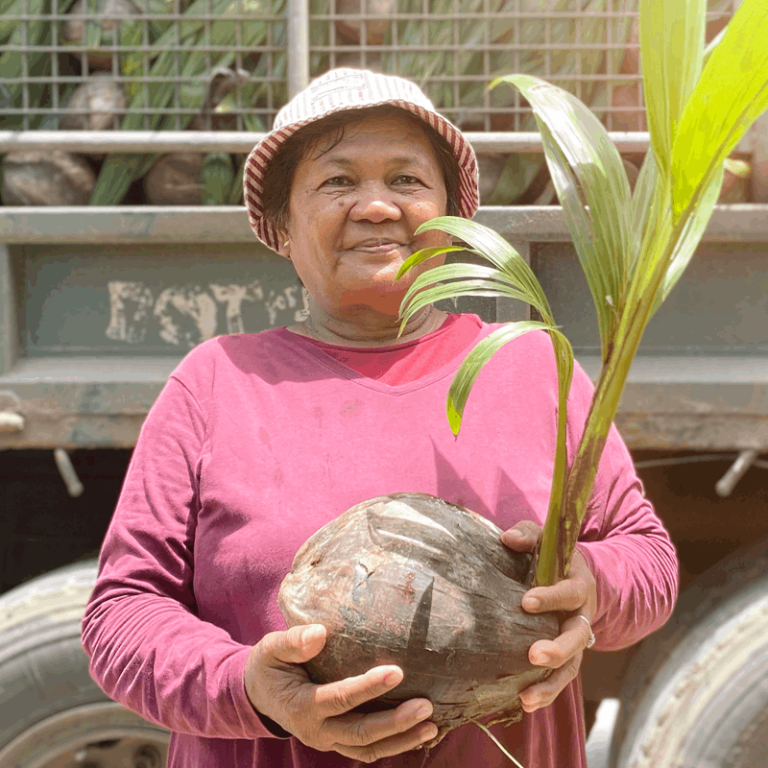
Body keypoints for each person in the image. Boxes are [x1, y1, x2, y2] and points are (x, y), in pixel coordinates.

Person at [81, 68, 678, 768]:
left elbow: (649, 561)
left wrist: (591, 583)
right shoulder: (216, 382)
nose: (375, 206)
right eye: (337, 182)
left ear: (453, 216)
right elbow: (120, 615)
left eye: (407, 181)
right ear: (279, 225)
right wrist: (250, 689)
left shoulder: (531, 366)